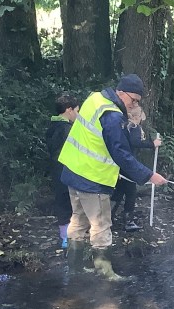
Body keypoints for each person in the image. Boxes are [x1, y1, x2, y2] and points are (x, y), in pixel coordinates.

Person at [57, 74, 167, 280]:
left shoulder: (95, 98)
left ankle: (74, 269)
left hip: (73, 171)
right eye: (133, 100)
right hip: (92, 179)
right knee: (101, 226)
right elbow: (121, 153)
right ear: (121, 92)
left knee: (78, 221)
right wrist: (149, 176)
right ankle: (105, 274)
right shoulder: (112, 116)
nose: (134, 105)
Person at [110, 105, 160, 232]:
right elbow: (135, 142)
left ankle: (108, 217)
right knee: (131, 192)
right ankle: (128, 221)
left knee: (120, 191)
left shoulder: (123, 126)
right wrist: (152, 144)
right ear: (138, 116)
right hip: (128, 164)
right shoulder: (134, 127)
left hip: (121, 163)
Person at [45, 93, 78, 249]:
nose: (78, 115)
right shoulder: (67, 129)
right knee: (69, 202)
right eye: (77, 111)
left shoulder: (51, 127)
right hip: (68, 169)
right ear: (69, 110)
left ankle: (64, 236)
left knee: (61, 200)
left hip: (56, 169)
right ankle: (70, 237)